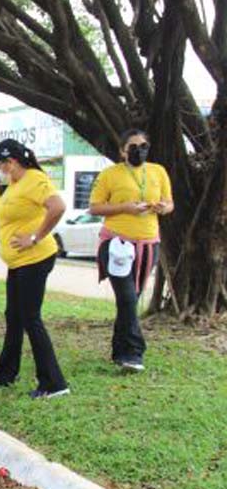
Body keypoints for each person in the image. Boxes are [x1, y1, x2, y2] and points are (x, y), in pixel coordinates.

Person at [0, 139, 70, 400]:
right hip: (18, 262)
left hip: (36, 258)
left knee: (30, 317)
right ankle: (4, 375)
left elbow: (57, 207)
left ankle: (54, 383)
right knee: (13, 316)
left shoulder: (35, 179)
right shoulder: (16, 184)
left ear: (12, 161)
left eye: (0, 164)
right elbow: (4, 213)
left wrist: (35, 237)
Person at [89, 129, 174, 373]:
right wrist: (125, 207)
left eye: (144, 146)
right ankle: (134, 354)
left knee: (131, 299)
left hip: (149, 243)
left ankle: (119, 350)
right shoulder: (110, 174)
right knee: (127, 298)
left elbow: (170, 203)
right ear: (122, 150)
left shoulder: (158, 171)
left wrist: (161, 207)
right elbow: (94, 207)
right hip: (117, 243)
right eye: (134, 146)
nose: (139, 151)